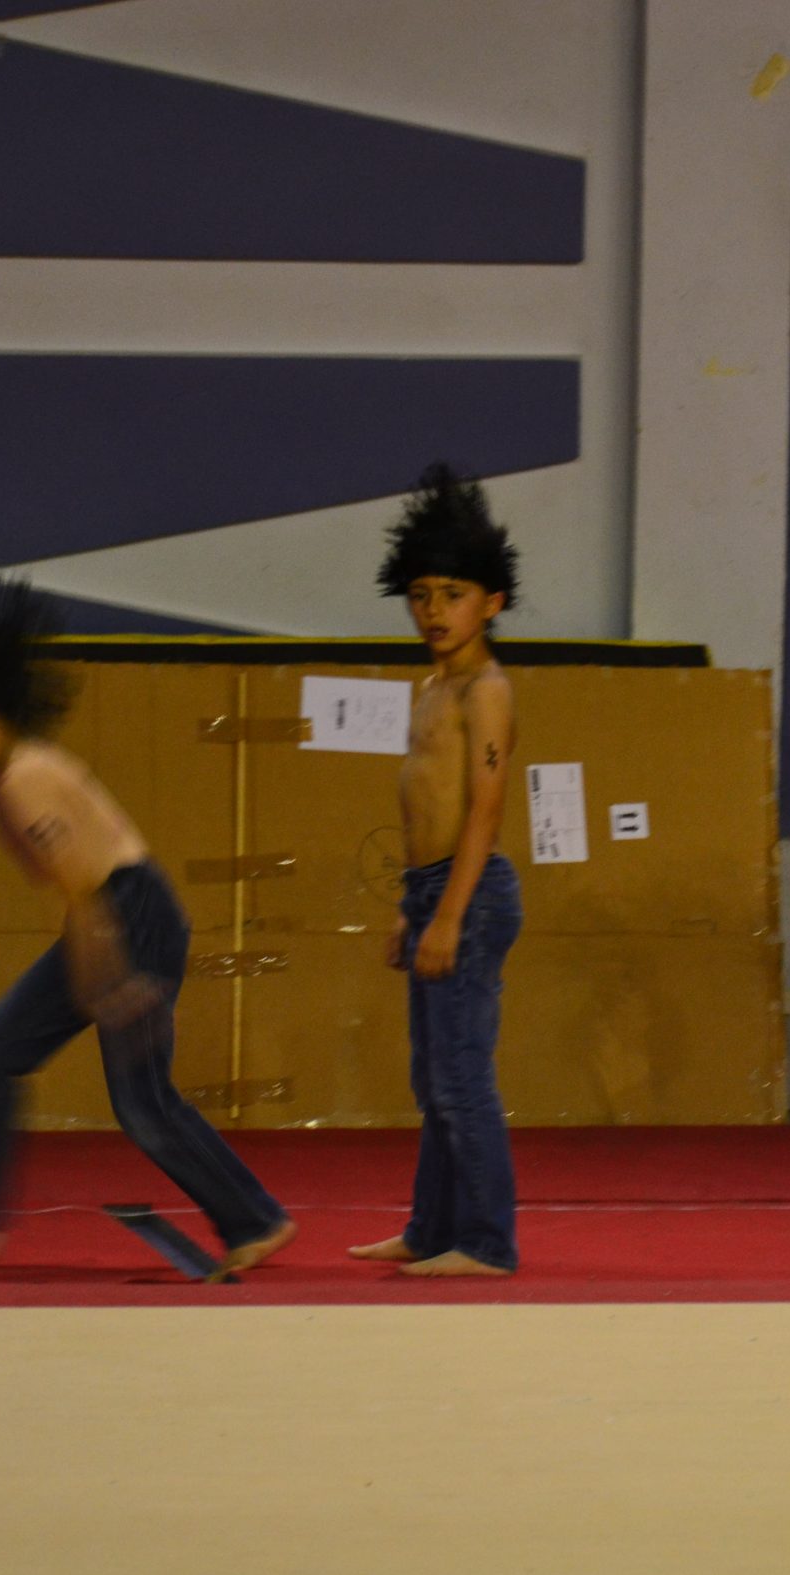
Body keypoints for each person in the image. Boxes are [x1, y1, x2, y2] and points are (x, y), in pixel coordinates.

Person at [0, 558, 294, 1275]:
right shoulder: (2, 780)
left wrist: (112, 981)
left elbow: (88, 897)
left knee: (143, 1105)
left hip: (130, 917)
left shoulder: (23, 780)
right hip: (118, 912)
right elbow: (79, 896)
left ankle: (256, 1219)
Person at [344, 464, 526, 1278]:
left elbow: (484, 809)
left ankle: (486, 1242)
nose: (433, 611)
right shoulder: (429, 686)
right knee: (432, 1079)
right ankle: (430, 1228)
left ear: (492, 602)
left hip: (470, 892)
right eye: (419, 595)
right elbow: (426, 806)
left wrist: (450, 913)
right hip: (432, 890)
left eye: (453, 594)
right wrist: (409, 907)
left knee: (461, 1076)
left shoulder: (486, 691)